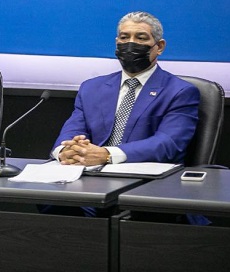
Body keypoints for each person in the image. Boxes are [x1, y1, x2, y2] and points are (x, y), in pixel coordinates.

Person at [52, 11, 200, 167]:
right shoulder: (92, 88)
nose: (130, 44)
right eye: (124, 38)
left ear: (160, 46)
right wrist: (65, 151)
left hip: (145, 180)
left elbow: (168, 143)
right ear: (117, 43)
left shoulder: (180, 92)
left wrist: (107, 155)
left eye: (141, 38)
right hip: (87, 172)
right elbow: (73, 130)